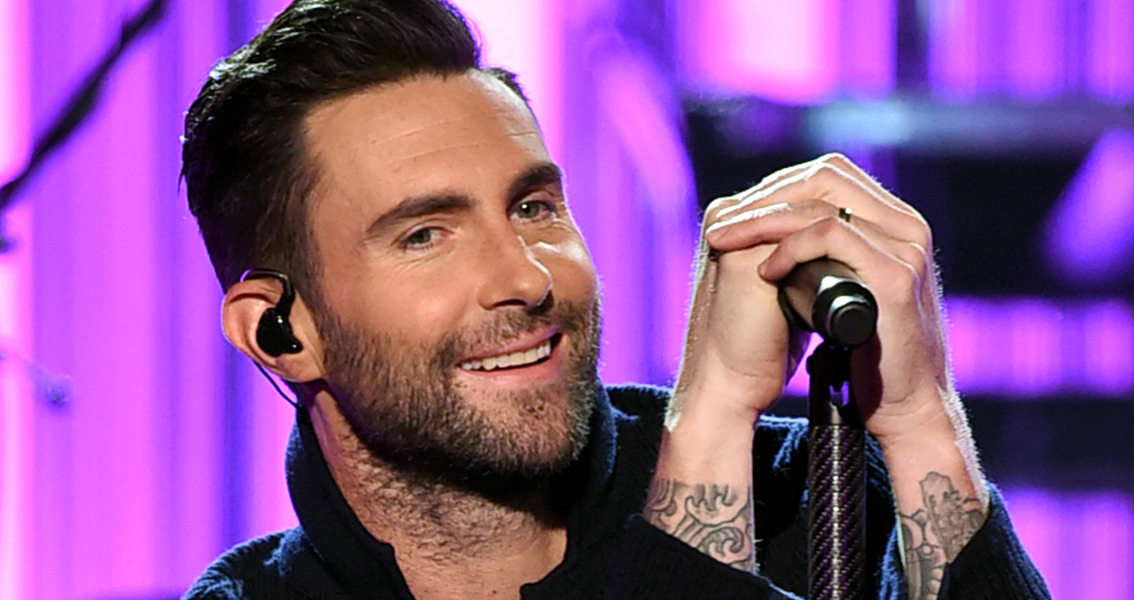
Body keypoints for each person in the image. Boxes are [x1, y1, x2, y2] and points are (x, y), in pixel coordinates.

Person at [180, 0, 1049, 598]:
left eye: (534, 208)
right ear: (281, 331)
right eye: (425, 236)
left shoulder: (815, 499)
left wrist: (920, 418)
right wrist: (707, 432)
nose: (526, 278)